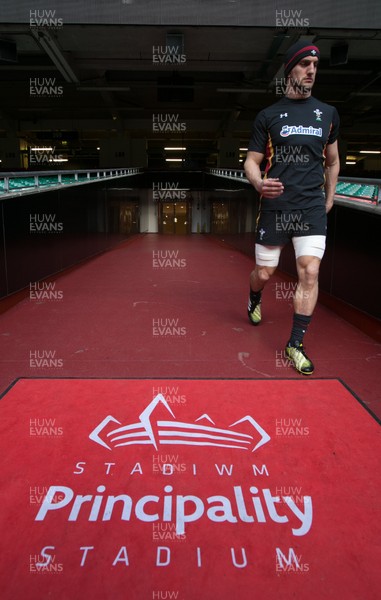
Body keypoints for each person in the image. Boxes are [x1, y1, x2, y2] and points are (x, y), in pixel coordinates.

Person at [244, 40, 340, 375]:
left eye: (315, 65)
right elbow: (251, 161)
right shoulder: (268, 116)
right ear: (290, 70)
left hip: (311, 207)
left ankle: (295, 344)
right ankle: (254, 298)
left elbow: (333, 160)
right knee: (265, 273)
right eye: (304, 65)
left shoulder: (327, 114)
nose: (311, 70)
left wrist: (328, 198)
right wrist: (258, 183)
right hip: (275, 206)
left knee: (309, 272)